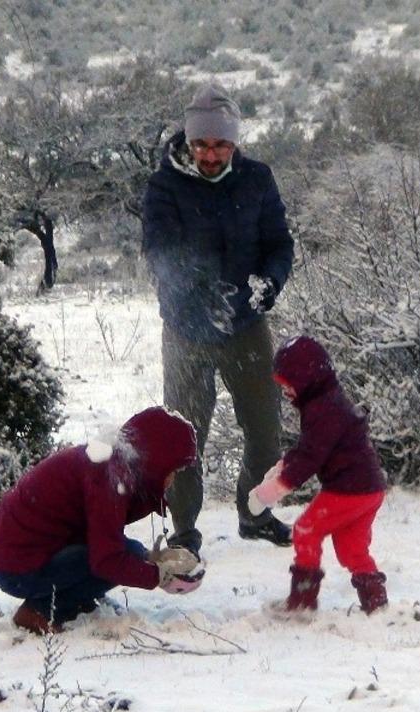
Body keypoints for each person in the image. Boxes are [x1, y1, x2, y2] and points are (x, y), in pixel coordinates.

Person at [141, 82, 294, 555]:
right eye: (202, 144)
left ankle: (255, 513)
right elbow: (159, 250)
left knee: (265, 428)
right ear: (189, 141)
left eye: (220, 144)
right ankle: (184, 528)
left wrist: (269, 284)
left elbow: (279, 243)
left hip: (245, 324)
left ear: (234, 142)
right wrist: (198, 291)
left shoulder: (257, 179)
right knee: (184, 437)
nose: (210, 155)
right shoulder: (165, 185)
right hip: (186, 328)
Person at [0, 407, 205, 634]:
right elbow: (107, 560)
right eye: (173, 469)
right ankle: (39, 612)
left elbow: (99, 535)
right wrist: (160, 576)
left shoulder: (111, 464)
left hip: (12, 554)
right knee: (123, 556)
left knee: (133, 552)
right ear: (157, 460)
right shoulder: (109, 479)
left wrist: (151, 559)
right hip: (16, 567)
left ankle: (81, 598)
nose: (173, 478)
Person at [248, 336, 389, 614]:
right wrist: (284, 465)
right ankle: (376, 604)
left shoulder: (325, 409)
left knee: (306, 530)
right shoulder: (325, 402)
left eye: (288, 383)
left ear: (306, 379)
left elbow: (310, 456)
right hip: (369, 489)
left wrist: (275, 488)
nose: (285, 390)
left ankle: (302, 602)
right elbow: (309, 446)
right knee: (352, 549)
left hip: (349, 489)